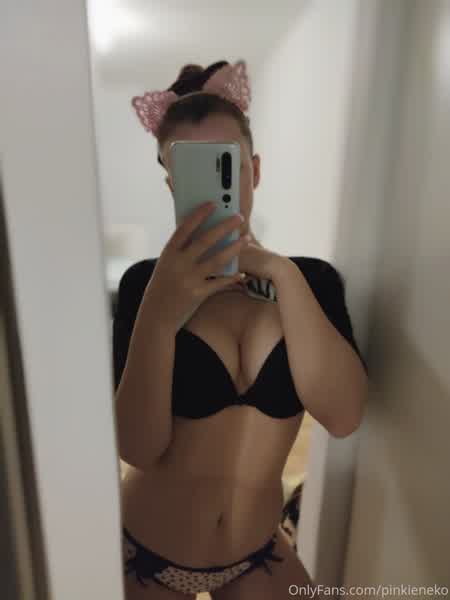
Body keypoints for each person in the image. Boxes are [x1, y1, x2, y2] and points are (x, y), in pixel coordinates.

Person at [114, 59, 369, 599]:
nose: (211, 187)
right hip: (143, 557)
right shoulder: (144, 285)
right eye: (191, 171)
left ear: (253, 170)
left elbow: (343, 417)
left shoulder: (311, 281)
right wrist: (160, 310)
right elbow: (138, 446)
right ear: (171, 183)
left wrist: (279, 272)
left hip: (258, 554)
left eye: (225, 164)